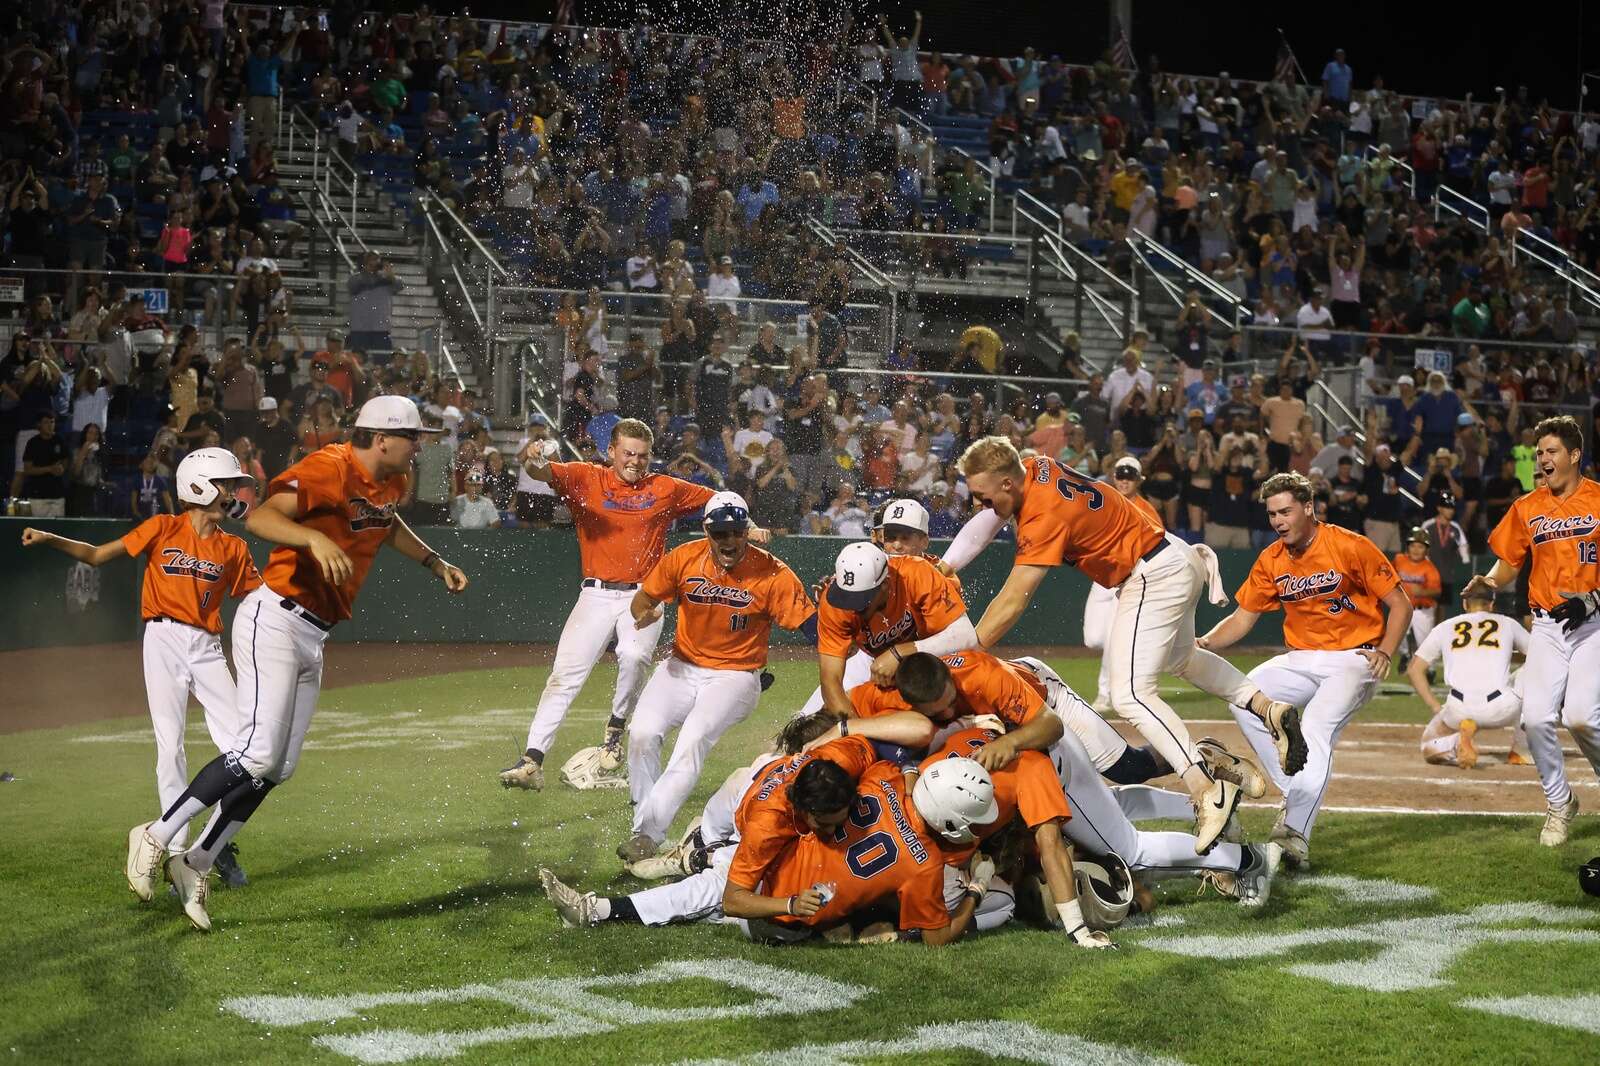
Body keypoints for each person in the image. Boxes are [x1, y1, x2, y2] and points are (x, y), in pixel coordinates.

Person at [123, 396, 467, 932]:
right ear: (381, 438)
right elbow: (259, 515)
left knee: (279, 768)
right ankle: (156, 835)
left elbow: (386, 520)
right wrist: (311, 536)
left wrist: (433, 560)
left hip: (314, 634)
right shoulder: (329, 465)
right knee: (256, 753)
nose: (418, 444)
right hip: (275, 617)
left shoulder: (392, 482)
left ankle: (196, 863)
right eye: (412, 436)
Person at [949, 437, 1300, 853]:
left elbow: (1013, 599)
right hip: (1173, 555)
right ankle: (1267, 707)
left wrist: (970, 650)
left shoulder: (1042, 515)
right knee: (1183, 658)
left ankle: (1205, 788)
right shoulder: (1034, 465)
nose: (978, 506)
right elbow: (990, 520)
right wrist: (948, 563)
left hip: (1150, 575)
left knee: (1130, 694)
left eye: (982, 497)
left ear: (1008, 483)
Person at [22, 449, 262, 890]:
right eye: (226, 483)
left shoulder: (234, 547)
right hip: (163, 640)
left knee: (247, 752)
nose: (232, 491)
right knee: (169, 748)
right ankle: (174, 853)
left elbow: (260, 602)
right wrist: (51, 538)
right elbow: (97, 556)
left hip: (207, 646)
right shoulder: (163, 527)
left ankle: (212, 846)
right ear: (201, 485)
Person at [500, 419, 768, 791]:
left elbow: (717, 501)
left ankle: (614, 731)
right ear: (611, 451)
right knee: (563, 677)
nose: (635, 462)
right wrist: (530, 456)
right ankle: (532, 760)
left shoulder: (664, 486)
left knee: (633, 655)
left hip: (644, 593)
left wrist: (749, 526)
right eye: (628, 453)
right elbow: (540, 470)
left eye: (642, 455)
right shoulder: (585, 476)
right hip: (594, 593)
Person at [1199, 472, 1413, 870]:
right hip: (1300, 658)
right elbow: (1243, 619)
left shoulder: (1351, 545)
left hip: (1353, 658)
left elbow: (1401, 604)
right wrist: (1205, 642)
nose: (1278, 521)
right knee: (1243, 696)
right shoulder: (1272, 559)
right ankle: (1297, 789)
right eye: (1272, 514)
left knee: (1315, 727)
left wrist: (1386, 650)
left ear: (1309, 508)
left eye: (1285, 511)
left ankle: (1294, 833)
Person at [618, 492, 817, 862]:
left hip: (736, 675)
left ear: (747, 531)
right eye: (720, 533)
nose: (729, 541)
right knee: (643, 734)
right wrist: (644, 613)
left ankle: (647, 833)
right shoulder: (683, 558)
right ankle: (644, 829)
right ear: (706, 531)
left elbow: (813, 628)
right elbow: (643, 599)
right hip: (681, 666)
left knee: (692, 739)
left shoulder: (773, 573)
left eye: (736, 532)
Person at [1464, 415, 1600, 846]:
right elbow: (1508, 564)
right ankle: (1560, 802)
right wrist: (1489, 581)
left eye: (1552, 451)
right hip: (1547, 626)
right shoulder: (1527, 506)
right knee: (1537, 717)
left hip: (1593, 623)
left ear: (1575, 455)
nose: (1543, 459)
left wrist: (1593, 599)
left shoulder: (1599, 500)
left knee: (1580, 716)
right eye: (1539, 452)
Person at [813, 540, 975, 719]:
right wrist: (855, 732)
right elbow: (831, 682)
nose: (852, 606)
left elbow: (966, 636)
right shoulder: (834, 603)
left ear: (885, 584)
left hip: (936, 661)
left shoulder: (915, 573)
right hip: (877, 666)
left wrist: (899, 653)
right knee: (814, 720)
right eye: (847, 597)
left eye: (861, 599)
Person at [1407, 584, 1530, 770]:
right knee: (1532, 672)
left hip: (1458, 709)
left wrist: (1435, 707)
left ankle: (1456, 742)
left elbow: (1414, 669)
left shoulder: (1445, 627)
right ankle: (1521, 749)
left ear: (1465, 604)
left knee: (1428, 747)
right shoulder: (1507, 623)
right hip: (1500, 709)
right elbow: (1540, 657)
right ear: (1491, 604)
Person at [1083, 457, 1163, 713]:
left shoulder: (1146, 510)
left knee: (1111, 639)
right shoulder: (1101, 502)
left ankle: (1105, 695)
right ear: (1113, 477)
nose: (1125, 480)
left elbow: (1157, 546)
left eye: (1130, 475)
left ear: (1139, 479)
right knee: (1093, 640)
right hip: (1101, 580)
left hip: (1127, 581)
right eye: (1120, 475)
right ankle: (1136, 660)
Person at [1394, 529, 1444, 662]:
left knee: (1424, 644)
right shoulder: (1399, 560)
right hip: (1403, 608)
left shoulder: (1430, 568)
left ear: (1426, 550)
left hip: (1422, 611)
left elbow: (1437, 591)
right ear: (1407, 547)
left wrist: (1422, 592)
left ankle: (1430, 669)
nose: (1416, 549)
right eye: (1413, 545)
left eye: (1420, 546)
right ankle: (1405, 655)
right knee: (1397, 635)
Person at [347, 252, 405, 355]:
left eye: (376, 260)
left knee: (382, 361)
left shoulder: (387, 280)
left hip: (381, 329)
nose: (374, 263)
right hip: (359, 329)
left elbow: (400, 285)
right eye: (371, 260)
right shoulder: (355, 278)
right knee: (356, 361)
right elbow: (353, 286)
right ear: (364, 263)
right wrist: (369, 271)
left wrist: (390, 275)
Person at [20, 411, 71, 516]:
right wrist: (49, 469)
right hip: (38, 496)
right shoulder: (32, 443)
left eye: (52, 422)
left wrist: (62, 468)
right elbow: (28, 469)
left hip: (57, 495)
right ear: (39, 425)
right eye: (46, 422)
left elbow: (66, 460)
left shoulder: (59, 440)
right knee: (39, 530)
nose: (50, 426)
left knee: (57, 530)